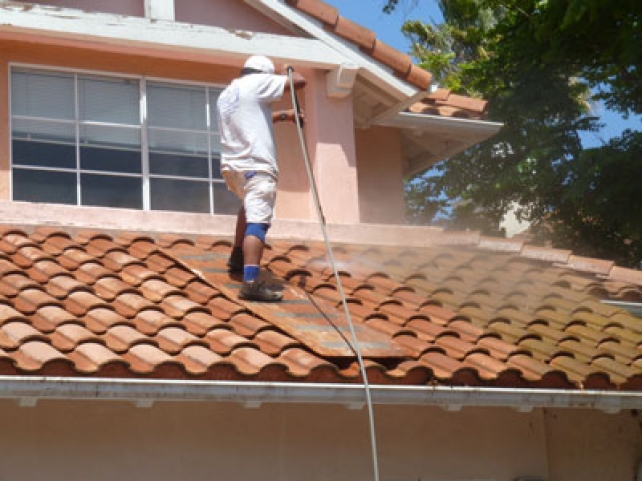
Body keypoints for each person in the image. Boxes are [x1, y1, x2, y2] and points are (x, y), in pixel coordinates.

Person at [216, 55, 306, 302]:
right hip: (256, 164)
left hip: (234, 168)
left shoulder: (228, 94)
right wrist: (289, 71)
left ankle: (237, 256)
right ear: (263, 75)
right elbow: (299, 81)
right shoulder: (258, 82)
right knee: (258, 221)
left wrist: (285, 115)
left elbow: (256, 119)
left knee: (249, 205)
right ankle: (250, 283)